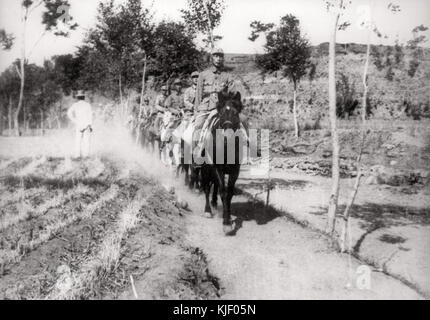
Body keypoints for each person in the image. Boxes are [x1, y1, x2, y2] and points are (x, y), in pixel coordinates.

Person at [67, 90, 93, 158]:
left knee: (78, 140)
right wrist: (90, 125)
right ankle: (86, 155)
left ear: (78, 98)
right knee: (86, 141)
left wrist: (74, 120)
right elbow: (90, 115)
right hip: (86, 124)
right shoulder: (87, 105)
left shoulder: (75, 105)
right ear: (84, 97)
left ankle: (77, 155)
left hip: (79, 124)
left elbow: (69, 113)